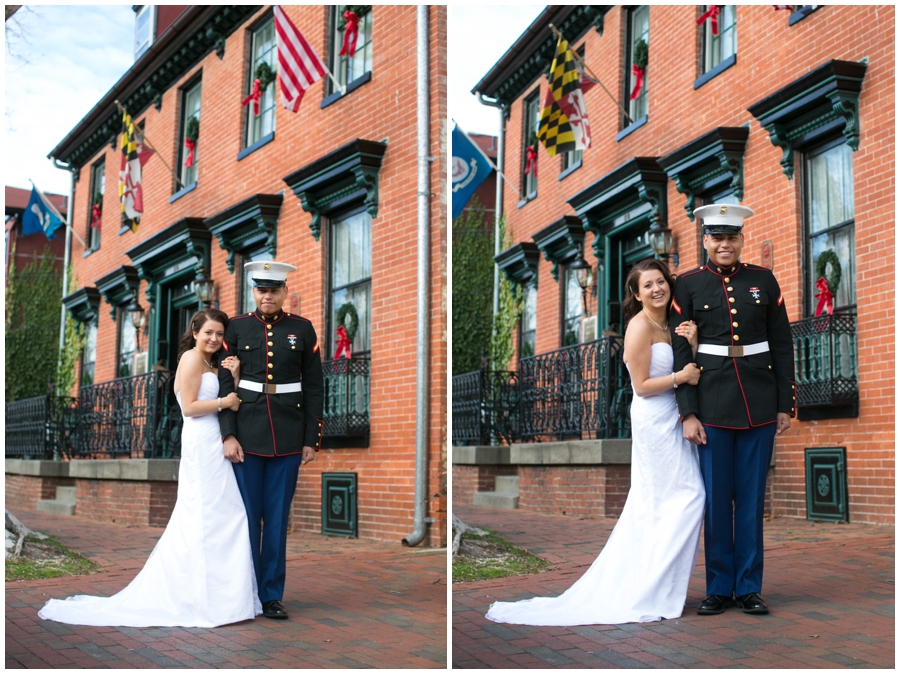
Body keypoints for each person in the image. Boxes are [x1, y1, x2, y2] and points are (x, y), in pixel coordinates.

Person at [485, 258, 704, 626]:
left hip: (675, 415)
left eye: (661, 282)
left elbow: (690, 370)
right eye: (647, 285)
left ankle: (658, 584)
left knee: (667, 502)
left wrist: (692, 345)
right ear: (636, 293)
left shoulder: (669, 323)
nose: (656, 289)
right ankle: (650, 587)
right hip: (654, 419)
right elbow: (642, 387)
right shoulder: (638, 327)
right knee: (685, 496)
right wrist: (681, 376)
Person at [38, 309, 261, 627]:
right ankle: (201, 598)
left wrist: (233, 381)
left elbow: (225, 397)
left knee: (225, 516)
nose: (214, 338)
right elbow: (191, 407)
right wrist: (226, 402)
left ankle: (222, 597)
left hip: (215, 441)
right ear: (195, 332)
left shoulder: (211, 363)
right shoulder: (191, 359)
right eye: (208, 332)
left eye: (220, 334)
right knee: (206, 517)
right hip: (201, 443)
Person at [670, 204, 796, 616]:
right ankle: (719, 587)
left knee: (752, 501)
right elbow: (679, 352)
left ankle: (749, 588)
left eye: (731, 238)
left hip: (759, 403)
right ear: (705, 240)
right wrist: (687, 413)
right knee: (716, 500)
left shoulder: (764, 279)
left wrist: (784, 404)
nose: (725, 245)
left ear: (741, 240)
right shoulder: (687, 285)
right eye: (717, 238)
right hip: (711, 404)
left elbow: (782, 344)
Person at [218, 261, 324, 621]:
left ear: (284, 293)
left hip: (289, 435)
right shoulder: (236, 327)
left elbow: (314, 388)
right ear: (254, 292)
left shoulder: (302, 329)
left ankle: (271, 596)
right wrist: (228, 433)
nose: (267, 296)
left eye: (274, 290)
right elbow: (224, 384)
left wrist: (312, 438)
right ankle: (244, 592)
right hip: (246, 434)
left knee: (277, 520)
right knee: (247, 518)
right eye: (261, 290)